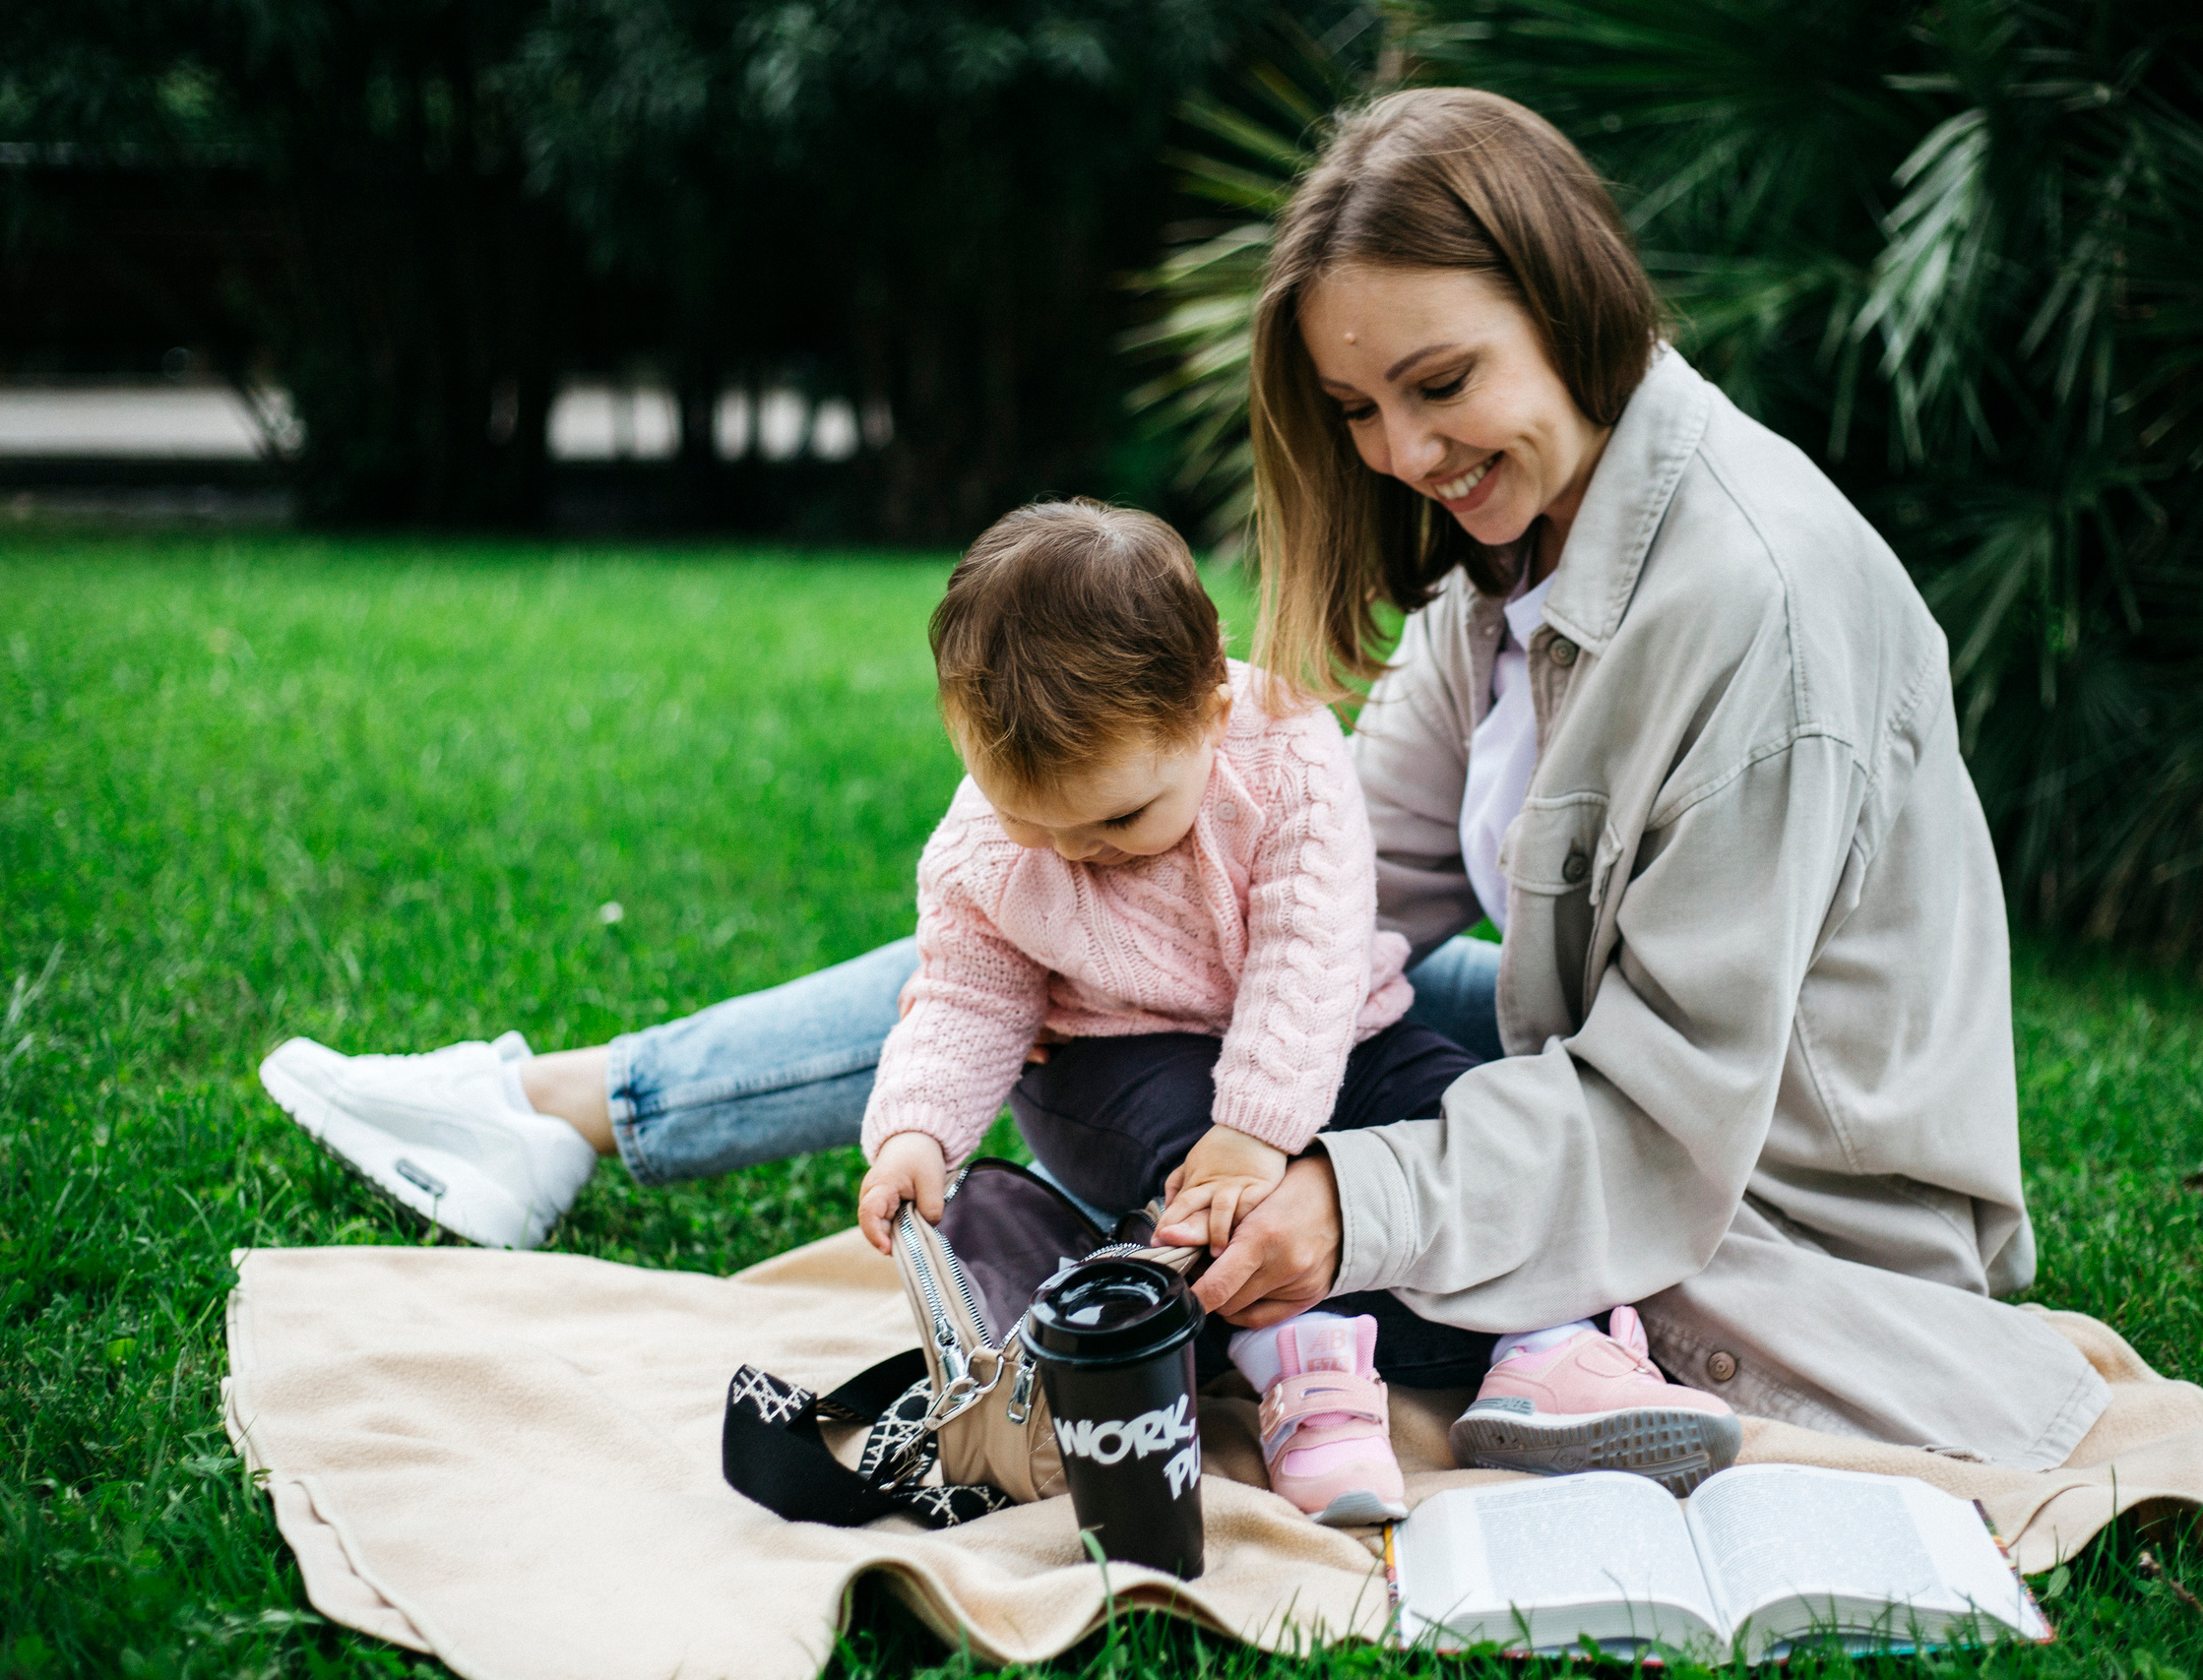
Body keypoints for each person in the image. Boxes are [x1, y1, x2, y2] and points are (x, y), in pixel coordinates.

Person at [261, 84, 2109, 1483]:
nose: (1401, 454)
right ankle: (570, 1110)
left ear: (1569, 292)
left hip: (1755, 1197)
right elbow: (1332, 884)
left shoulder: (1753, 610)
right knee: (1085, 925)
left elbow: (1664, 1117)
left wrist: (1333, 1196)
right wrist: (1115, 924)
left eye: (1440, 382)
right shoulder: (1529, 545)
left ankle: (593, 1119)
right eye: (1361, 413)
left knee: (1121, 964)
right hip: (1565, 1057)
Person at [261, 498, 1742, 1524]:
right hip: (1115, 1066)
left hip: (1315, 1037)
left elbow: (1305, 961)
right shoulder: (992, 847)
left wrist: (1265, 1133)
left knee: (1442, 1114)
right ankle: (1302, 1371)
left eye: (1118, 821)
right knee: (1184, 1172)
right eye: (1046, 831)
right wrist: (916, 1125)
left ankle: (1548, 1339)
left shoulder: (1286, 753)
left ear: (1208, 713)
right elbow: (965, 995)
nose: (1080, 858)